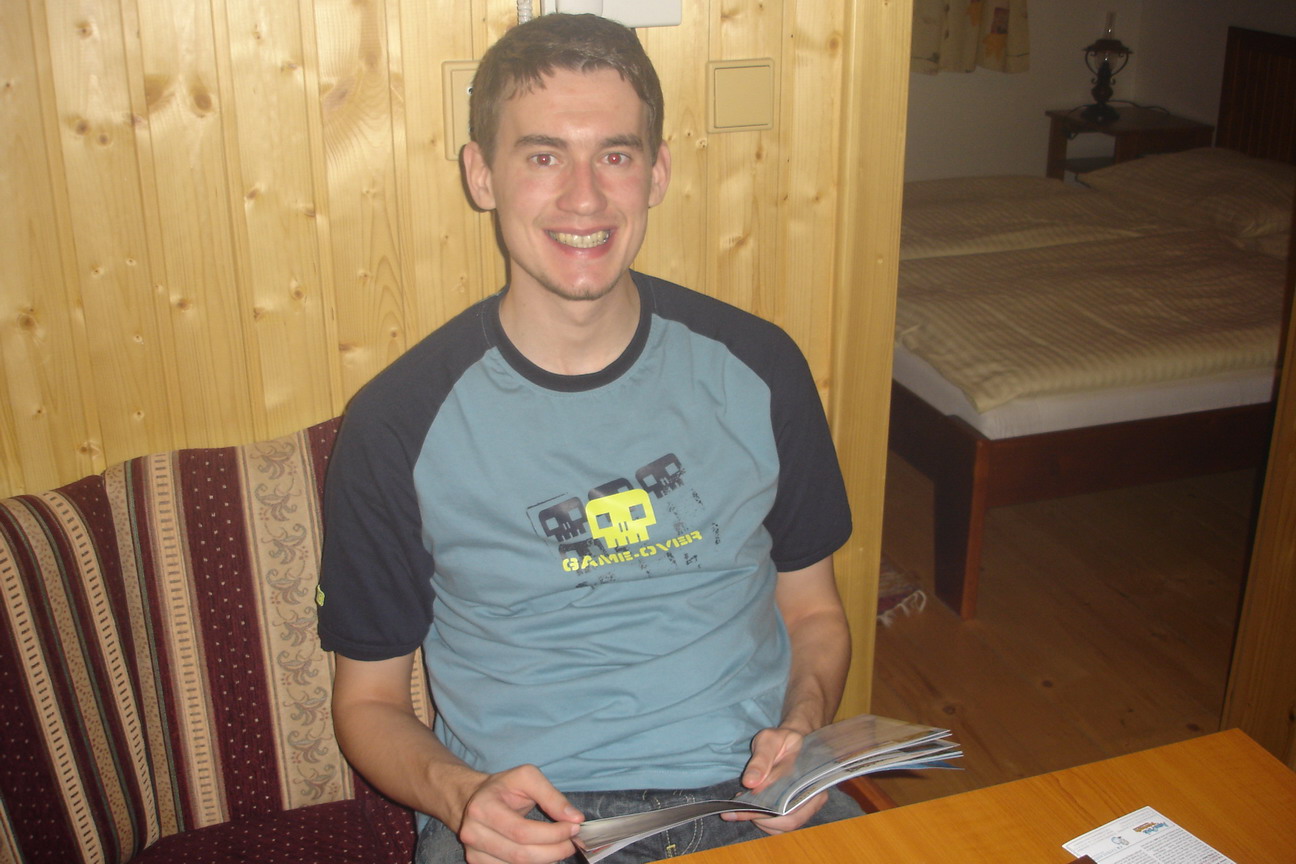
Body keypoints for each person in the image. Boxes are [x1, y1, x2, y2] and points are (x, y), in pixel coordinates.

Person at [316, 12, 858, 864]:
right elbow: (368, 703)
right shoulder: (397, 421)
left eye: (615, 155)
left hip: (750, 798)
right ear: (481, 175)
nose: (584, 198)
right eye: (542, 157)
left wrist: (804, 725)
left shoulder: (760, 368)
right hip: (532, 822)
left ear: (657, 172)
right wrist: (464, 798)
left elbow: (814, 611)